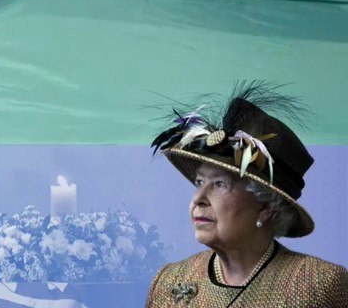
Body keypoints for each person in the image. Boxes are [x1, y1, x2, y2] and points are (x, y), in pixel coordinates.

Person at [145, 83, 348, 306]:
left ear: (266, 206)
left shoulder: (318, 285)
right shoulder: (168, 282)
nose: (198, 198)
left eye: (220, 184)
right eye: (199, 182)